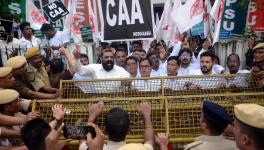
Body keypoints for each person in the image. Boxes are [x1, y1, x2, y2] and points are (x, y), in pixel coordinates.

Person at [79, 102, 154, 150]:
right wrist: (146, 114)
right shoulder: (138, 148)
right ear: (129, 130)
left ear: (104, 131)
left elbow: (84, 138)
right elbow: (149, 141)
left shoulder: (91, 148)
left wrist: (92, 116)